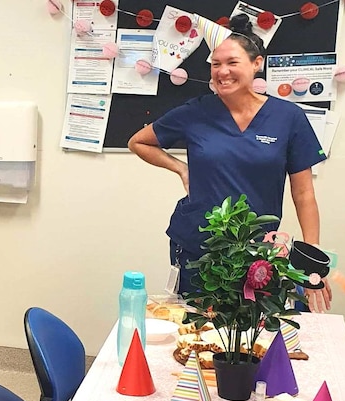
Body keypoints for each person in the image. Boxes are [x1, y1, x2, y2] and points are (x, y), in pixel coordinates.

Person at [128, 13, 331, 313]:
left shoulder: (289, 118)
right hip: (198, 246)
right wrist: (181, 168)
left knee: (254, 336)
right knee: (201, 333)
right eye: (215, 64)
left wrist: (311, 258)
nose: (222, 72)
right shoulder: (195, 112)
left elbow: (303, 194)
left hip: (259, 251)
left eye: (232, 62)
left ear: (256, 63)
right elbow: (138, 142)